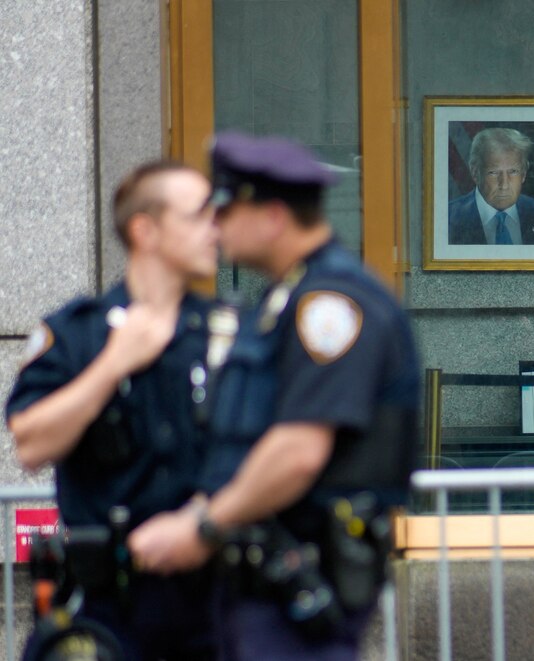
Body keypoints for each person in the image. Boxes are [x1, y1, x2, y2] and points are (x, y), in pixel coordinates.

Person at [127, 132, 421, 660]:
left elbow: (298, 452)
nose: (215, 225)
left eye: (228, 210)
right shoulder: (281, 303)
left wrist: (203, 526)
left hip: (299, 587)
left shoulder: (331, 305)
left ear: (273, 217)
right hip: (255, 585)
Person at [5, 161, 219, 660]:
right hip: (109, 609)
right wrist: (112, 365)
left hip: (216, 603)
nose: (216, 229)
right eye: (199, 216)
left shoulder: (229, 334)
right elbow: (31, 444)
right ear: (146, 230)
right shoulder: (80, 334)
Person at [448, 126, 534, 245]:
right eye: (494, 172)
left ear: (523, 173)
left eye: (513, 172)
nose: (504, 185)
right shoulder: (447, 219)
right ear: (475, 173)